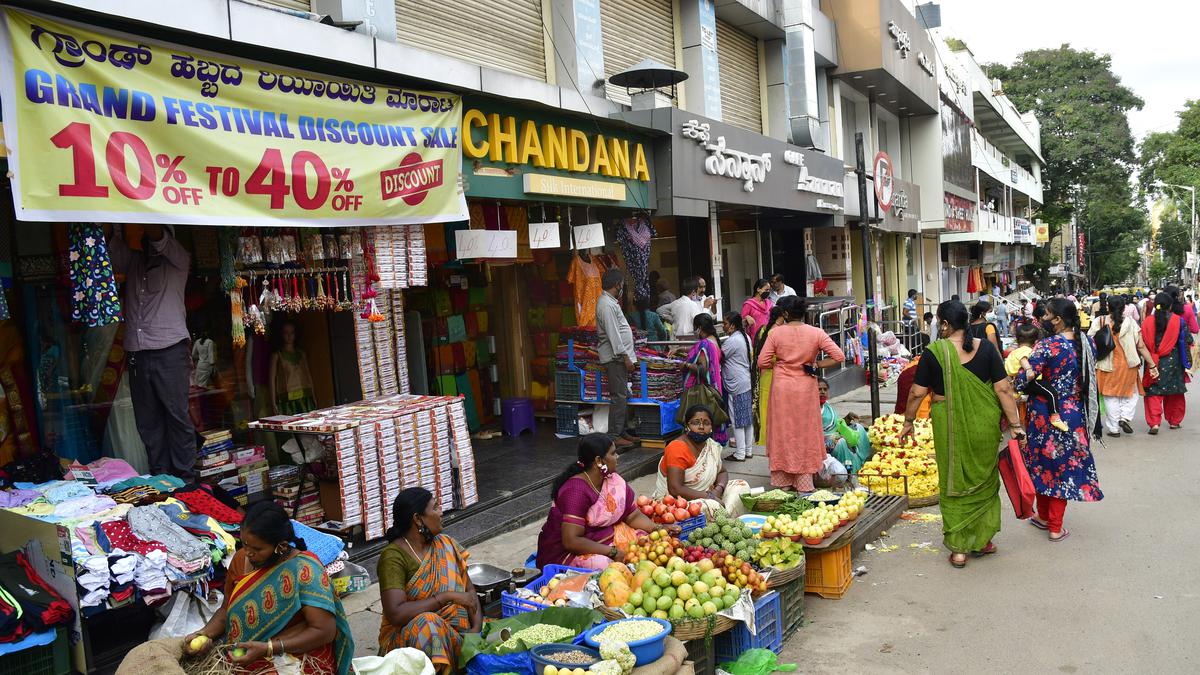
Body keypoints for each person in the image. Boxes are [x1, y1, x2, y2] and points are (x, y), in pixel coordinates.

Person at [901, 301, 1025, 567]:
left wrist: (908, 421)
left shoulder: (935, 352)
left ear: (945, 324)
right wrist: (1015, 426)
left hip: (951, 427)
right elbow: (1003, 390)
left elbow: (917, 392)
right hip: (985, 424)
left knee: (954, 480)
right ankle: (982, 540)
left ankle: (959, 550)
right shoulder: (988, 348)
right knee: (985, 477)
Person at [181, 501, 353, 674]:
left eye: (257, 548)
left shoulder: (304, 571)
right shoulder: (241, 560)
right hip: (245, 657)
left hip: (300, 658)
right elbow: (226, 611)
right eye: (245, 544)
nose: (248, 553)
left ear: (281, 546)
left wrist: (268, 648)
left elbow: (324, 631)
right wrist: (204, 634)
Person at [107, 224, 196, 481]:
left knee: (176, 416)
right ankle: (162, 477)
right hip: (138, 354)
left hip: (169, 351)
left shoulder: (179, 260)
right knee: (148, 422)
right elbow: (113, 252)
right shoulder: (135, 262)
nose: (146, 240)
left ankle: (185, 478)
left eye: (150, 236)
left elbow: (160, 238)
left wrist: (139, 205)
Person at [1013, 298, 1103, 542]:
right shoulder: (1087, 343)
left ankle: (1050, 521)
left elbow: (1023, 380)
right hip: (1073, 413)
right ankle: (1051, 522)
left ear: (1058, 319)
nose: (1043, 319)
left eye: (1047, 315)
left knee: (1042, 464)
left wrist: (1021, 365)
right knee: (1064, 466)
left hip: (1044, 413)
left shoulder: (1048, 345)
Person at [377, 488, 479, 674]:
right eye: (436, 508)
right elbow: (396, 613)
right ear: (418, 519)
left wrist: (476, 630)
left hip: (457, 638)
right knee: (428, 624)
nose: (441, 513)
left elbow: (469, 593)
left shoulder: (445, 543)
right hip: (409, 647)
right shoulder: (393, 557)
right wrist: (447, 597)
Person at [538, 434, 675, 569]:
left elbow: (632, 515)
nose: (617, 457)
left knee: (649, 544)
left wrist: (658, 528)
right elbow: (571, 541)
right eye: (613, 453)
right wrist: (612, 552)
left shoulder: (612, 480)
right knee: (604, 565)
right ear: (599, 460)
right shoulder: (576, 491)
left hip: (602, 536)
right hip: (566, 552)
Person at [756, 296, 846, 492]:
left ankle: (783, 482)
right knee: (805, 432)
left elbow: (762, 362)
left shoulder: (776, 333)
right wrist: (816, 365)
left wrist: (781, 363)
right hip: (806, 388)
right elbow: (839, 356)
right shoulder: (816, 332)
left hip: (782, 389)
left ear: (786, 313)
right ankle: (804, 482)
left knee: (783, 432)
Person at [653, 405, 751, 518]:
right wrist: (709, 497)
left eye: (706, 423)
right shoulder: (677, 447)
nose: (701, 427)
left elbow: (722, 472)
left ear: (711, 427)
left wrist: (718, 489)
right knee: (710, 506)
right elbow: (675, 489)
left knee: (741, 486)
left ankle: (725, 515)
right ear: (687, 426)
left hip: (709, 494)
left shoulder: (711, 445)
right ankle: (724, 515)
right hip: (677, 503)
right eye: (695, 423)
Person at [1089, 296, 1152, 437]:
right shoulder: (1131, 323)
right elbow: (1140, 346)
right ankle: (1125, 417)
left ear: (1108, 307)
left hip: (1106, 365)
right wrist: (1152, 364)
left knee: (1110, 397)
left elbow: (1090, 342)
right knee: (1131, 394)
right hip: (1128, 365)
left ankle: (1114, 429)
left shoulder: (1099, 321)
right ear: (1124, 308)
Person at [596, 269, 638, 448]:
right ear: (616, 285)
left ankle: (621, 431)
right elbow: (614, 334)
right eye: (621, 284)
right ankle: (614, 435)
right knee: (619, 396)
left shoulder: (610, 302)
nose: (623, 287)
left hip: (618, 358)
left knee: (622, 395)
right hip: (615, 359)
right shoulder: (606, 304)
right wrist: (626, 357)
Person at [1006, 323, 1069, 432]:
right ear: (1036, 342)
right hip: (1029, 381)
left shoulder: (1013, 352)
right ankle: (1055, 416)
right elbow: (1023, 359)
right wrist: (1029, 370)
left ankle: (1016, 394)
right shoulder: (1026, 351)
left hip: (1015, 381)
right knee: (1051, 392)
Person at [1141, 292, 1189, 433]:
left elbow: (1142, 343)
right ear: (1170, 306)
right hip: (1173, 361)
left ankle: (1154, 423)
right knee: (1174, 392)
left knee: (1154, 392)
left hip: (1152, 361)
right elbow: (1187, 341)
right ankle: (1174, 421)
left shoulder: (1147, 322)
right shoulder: (1178, 321)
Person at [682, 314, 727, 443]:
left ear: (699, 328)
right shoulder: (714, 340)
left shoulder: (705, 344)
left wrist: (685, 364)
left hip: (703, 391)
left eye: (695, 327)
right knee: (710, 420)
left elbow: (702, 369)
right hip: (715, 388)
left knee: (701, 422)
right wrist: (682, 349)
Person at [818, 378, 872, 474]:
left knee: (858, 428)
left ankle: (864, 462)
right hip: (821, 442)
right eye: (819, 389)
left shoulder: (826, 406)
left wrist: (847, 419)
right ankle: (848, 472)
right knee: (841, 442)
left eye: (825, 389)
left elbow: (836, 424)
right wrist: (836, 436)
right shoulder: (810, 407)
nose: (822, 392)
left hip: (835, 434)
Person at [721, 312, 755, 461]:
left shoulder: (732, 341)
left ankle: (740, 453)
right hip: (745, 381)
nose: (723, 326)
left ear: (733, 325)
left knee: (737, 420)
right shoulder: (745, 337)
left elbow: (718, 356)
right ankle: (748, 450)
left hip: (737, 384)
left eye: (725, 323)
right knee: (746, 419)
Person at [753, 306, 787, 453]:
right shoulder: (778, 332)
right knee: (776, 410)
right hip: (775, 373)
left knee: (766, 409)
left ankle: (768, 440)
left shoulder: (763, 330)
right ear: (783, 315)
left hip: (765, 374)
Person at [270, 320, 316, 415]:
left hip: (305, 399)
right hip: (287, 402)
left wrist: (314, 396)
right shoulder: (277, 356)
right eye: (286, 333)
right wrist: (273, 403)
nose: (289, 336)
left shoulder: (301, 354)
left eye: (292, 333)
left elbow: (308, 375)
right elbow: (271, 381)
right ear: (281, 335)